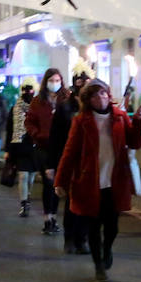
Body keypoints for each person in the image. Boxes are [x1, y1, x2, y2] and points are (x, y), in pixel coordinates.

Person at [54, 80, 141, 282]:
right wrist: (61, 180)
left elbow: (135, 142)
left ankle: (107, 249)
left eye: (103, 94)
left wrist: (138, 121)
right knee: (93, 227)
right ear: (88, 100)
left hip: (115, 182)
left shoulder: (120, 117)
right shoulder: (81, 121)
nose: (101, 98)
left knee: (112, 226)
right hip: (89, 182)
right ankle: (99, 267)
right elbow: (69, 152)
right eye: (95, 95)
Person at [46, 66, 94, 251]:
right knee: (72, 201)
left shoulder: (94, 106)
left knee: (88, 202)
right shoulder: (64, 108)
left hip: (89, 162)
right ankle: (70, 238)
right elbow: (55, 138)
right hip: (69, 160)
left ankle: (82, 239)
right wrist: (52, 165)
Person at [26, 68, 68, 236]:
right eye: (52, 80)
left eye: (57, 80)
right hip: (44, 147)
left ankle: (54, 217)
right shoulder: (38, 101)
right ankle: (47, 217)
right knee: (49, 182)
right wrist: (37, 135)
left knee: (57, 184)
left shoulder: (66, 99)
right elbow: (29, 122)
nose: (55, 84)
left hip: (61, 147)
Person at [5, 78, 39, 217]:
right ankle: (24, 203)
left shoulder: (38, 108)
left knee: (31, 176)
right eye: (24, 89)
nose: (27, 92)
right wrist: (7, 149)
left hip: (35, 145)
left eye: (30, 89)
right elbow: (9, 128)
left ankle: (28, 195)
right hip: (19, 144)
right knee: (23, 175)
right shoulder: (15, 108)